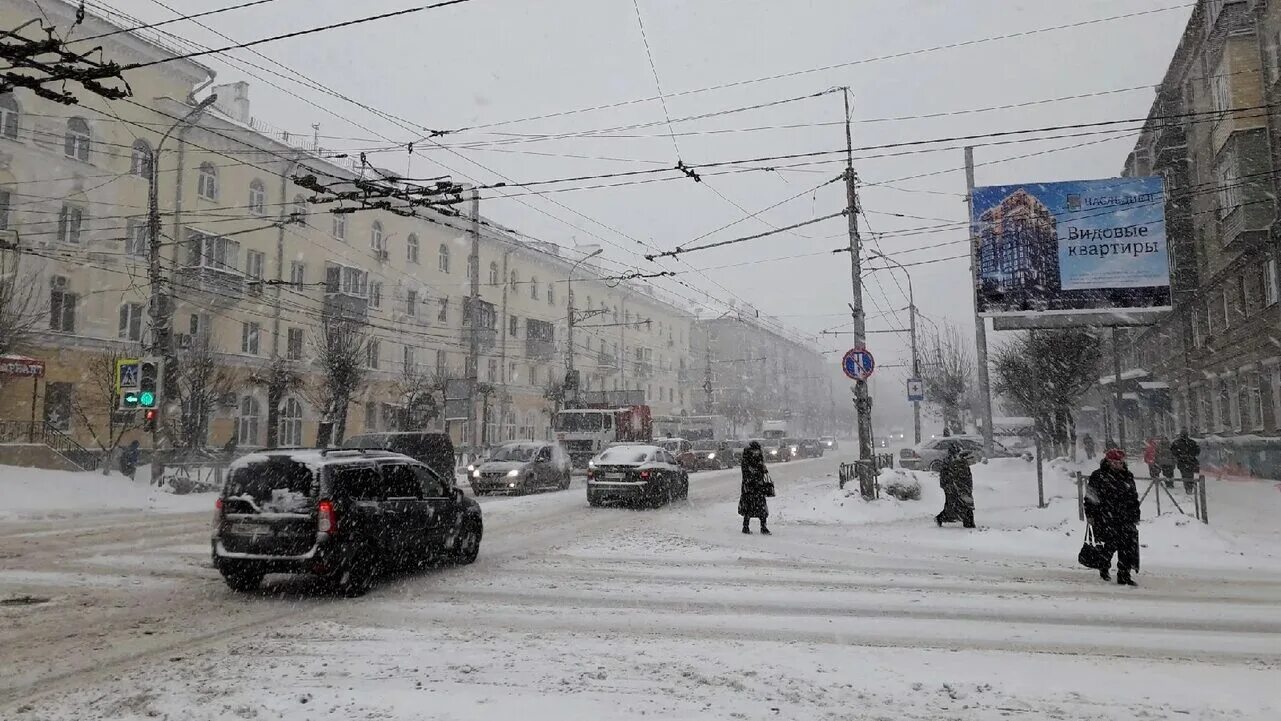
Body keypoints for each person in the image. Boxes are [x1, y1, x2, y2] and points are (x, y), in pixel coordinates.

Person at [1084, 449, 1141, 587]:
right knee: (1110, 545)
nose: (1117, 465)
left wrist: (1135, 514)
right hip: (1105, 517)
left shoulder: (1127, 476)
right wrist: (1090, 514)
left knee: (1127, 547)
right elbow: (1091, 497)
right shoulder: (1098, 476)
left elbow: (1133, 497)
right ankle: (1103, 566)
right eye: (1114, 462)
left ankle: (1124, 574)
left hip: (1125, 517)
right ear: (1108, 462)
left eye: (1120, 462)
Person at [935, 443, 975, 528]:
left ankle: (968, 522)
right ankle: (942, 518)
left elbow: (967, 475)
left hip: (960, 487)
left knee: (964, 505)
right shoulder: (950, 461)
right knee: (954, 506)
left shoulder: (960, 461)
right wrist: (948, 486)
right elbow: (946, 476)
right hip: (953, 487)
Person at [738, 440, 771, 535]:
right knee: (749, 507)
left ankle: (763, 527)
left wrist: (763, 469)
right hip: (749, 487)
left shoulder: (759, 459)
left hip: (758, 487)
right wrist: (755, 474)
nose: (757, 452)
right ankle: (746, 526)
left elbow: (762, 471)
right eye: (755, 450)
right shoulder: (746, 460)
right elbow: (746, 473)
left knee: (761, 508)